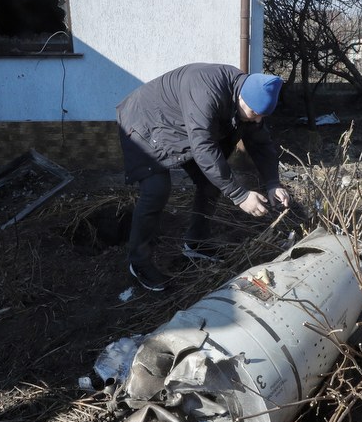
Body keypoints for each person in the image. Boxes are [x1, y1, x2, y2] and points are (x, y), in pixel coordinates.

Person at [116, 63, 290, 291]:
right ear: (241, 99)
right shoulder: (207, 91)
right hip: (143, 122)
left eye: (262, 116)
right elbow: (203, 147)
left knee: (211, 183)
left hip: (179, 125)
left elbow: (260, 143)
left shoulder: (249, 98)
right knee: (156, 189)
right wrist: (239, 194)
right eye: (254, 114)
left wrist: (273, 183)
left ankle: (196, 242)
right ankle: (138, 263)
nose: (257, 120)